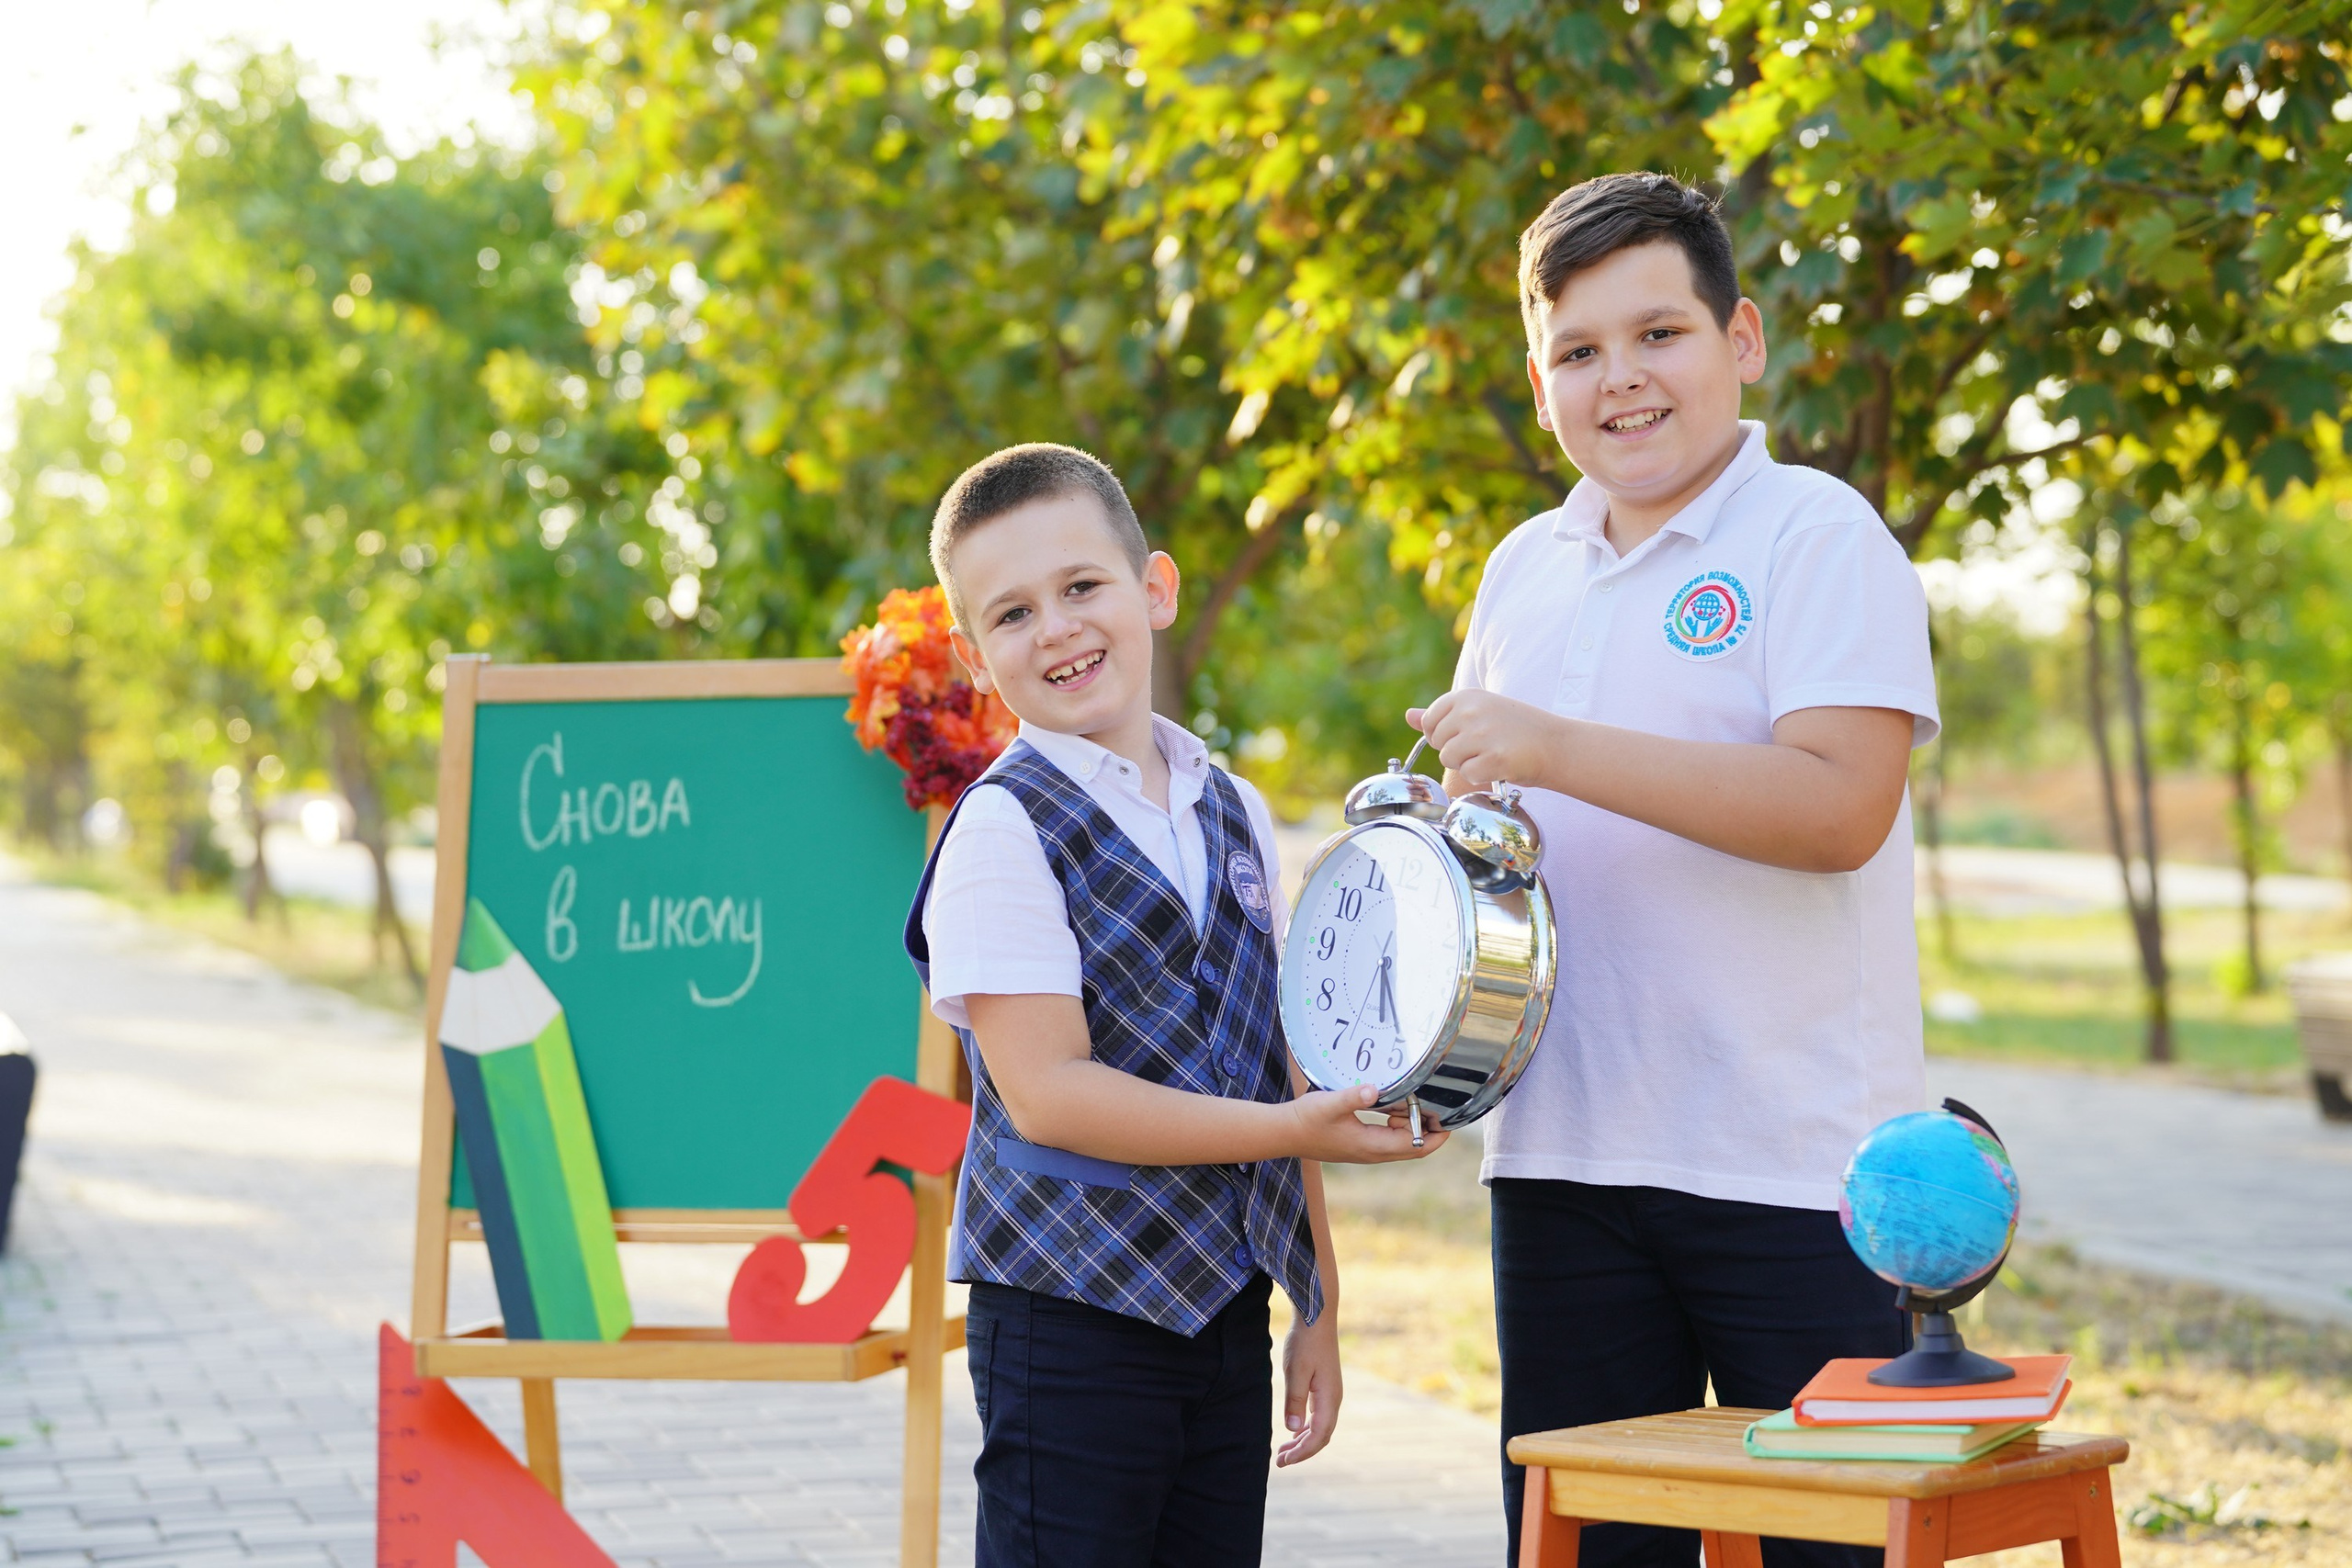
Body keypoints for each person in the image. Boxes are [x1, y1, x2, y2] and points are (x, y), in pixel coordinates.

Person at [1408, 174, 1941, 1567]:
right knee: (1589, 1549)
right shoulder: (1522, 569)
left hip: (1799, 1169)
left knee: (1834, 1547)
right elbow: (1484, 854)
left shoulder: (1818, 534)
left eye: (1660, 334)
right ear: (1541, 384)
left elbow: (1841, 807)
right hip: (1561, 1161)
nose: (1622, 378)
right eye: (1579, 351)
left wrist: (1559, 747)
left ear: (1741, 339)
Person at [904, 442, 1446, 1567]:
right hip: (1069, 1317)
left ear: (1153, 588)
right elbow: (1051, 1096)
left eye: (1081, 587)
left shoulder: (1233, 806)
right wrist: (1290, 1131)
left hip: (1225, 1310)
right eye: (1012, 614)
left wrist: (1318, 1302)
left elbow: (1278, 1057)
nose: (1056, 629)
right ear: (973, 656)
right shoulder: (1002, 828)